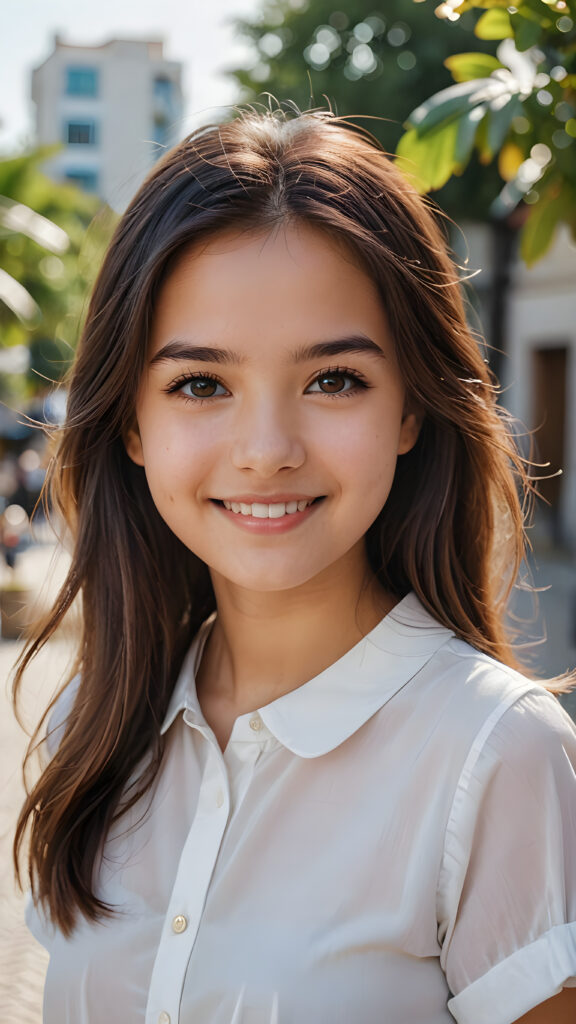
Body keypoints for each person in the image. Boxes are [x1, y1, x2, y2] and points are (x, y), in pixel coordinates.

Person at [13, 108, 576, 1024]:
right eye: (201, 383)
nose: (266, 450)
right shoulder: (96, 719)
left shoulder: (497, 754)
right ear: (131, 424)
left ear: (410, 411)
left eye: (333, 380)